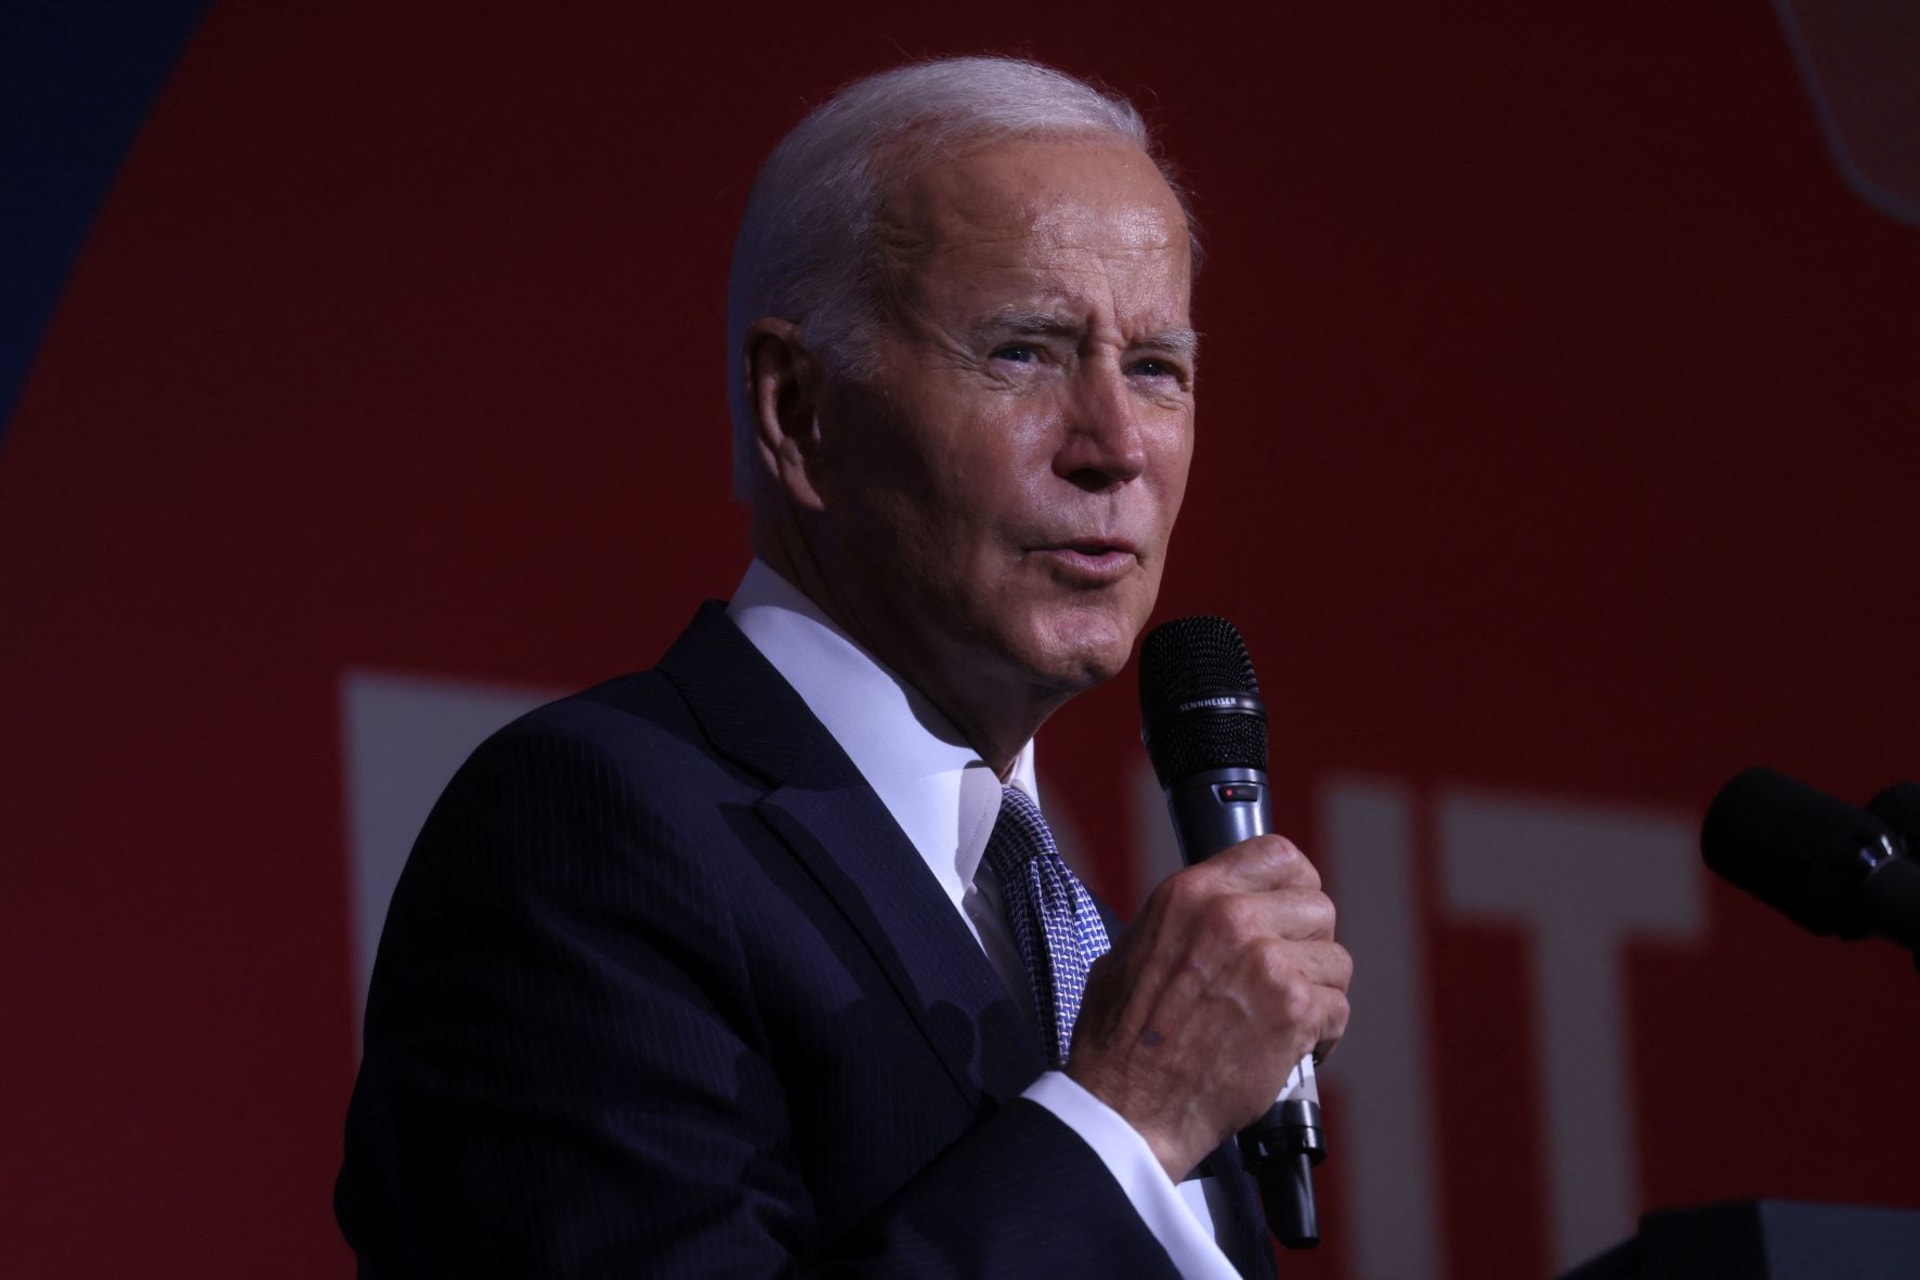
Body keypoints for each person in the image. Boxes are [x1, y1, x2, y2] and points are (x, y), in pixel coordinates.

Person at [336, 56, 1351, 1278]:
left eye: (1154, 368)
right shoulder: (587, 833)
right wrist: (1127, 1118)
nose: (1116, 446)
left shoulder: (1071, 927)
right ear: (799, 407)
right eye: (1025, 351)